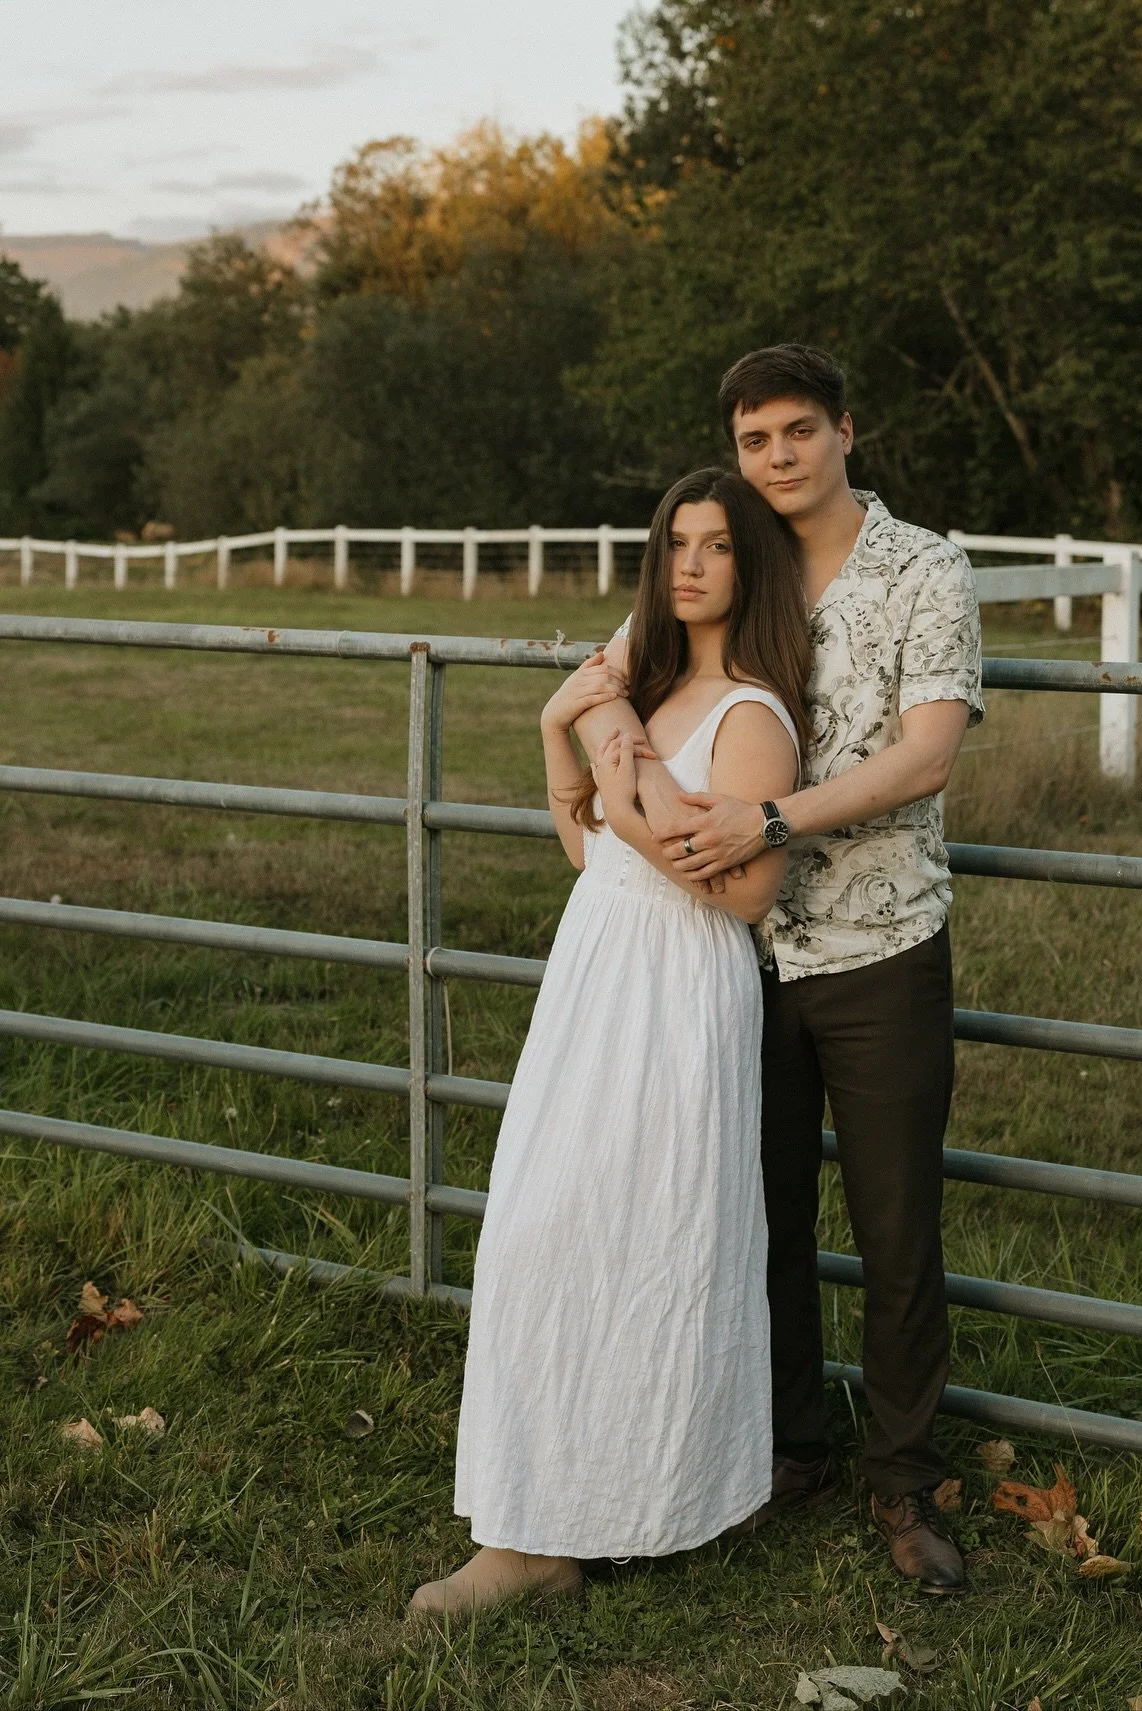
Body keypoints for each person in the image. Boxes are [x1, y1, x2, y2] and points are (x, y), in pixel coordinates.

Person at [573, 345, 984, 1596]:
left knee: (897, 1225)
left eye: (798, 431)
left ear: (847, 430)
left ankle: (904, 1481)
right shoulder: (730, 556)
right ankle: (788, 1445)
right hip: (731, 952)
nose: (777, 457)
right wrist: (590, 744)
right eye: (756, 440)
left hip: (877, 943)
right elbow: (614, 678)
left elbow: (926, 758)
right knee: (757, 1215)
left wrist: (776, 820)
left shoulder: (926, 569)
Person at [409, 467, 810, 1616]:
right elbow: (602, 854)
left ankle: (583, 1524)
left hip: (678, 993)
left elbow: (737, 891)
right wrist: (564, 732)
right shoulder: (652, 690)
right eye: (676, 542)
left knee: (641, 1238)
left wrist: (617, 752)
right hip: (598, 971)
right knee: (546, 1229)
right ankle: (547, 1520)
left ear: (752, 565)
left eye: (717, 544)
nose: (690, 563)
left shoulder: (752, 716)